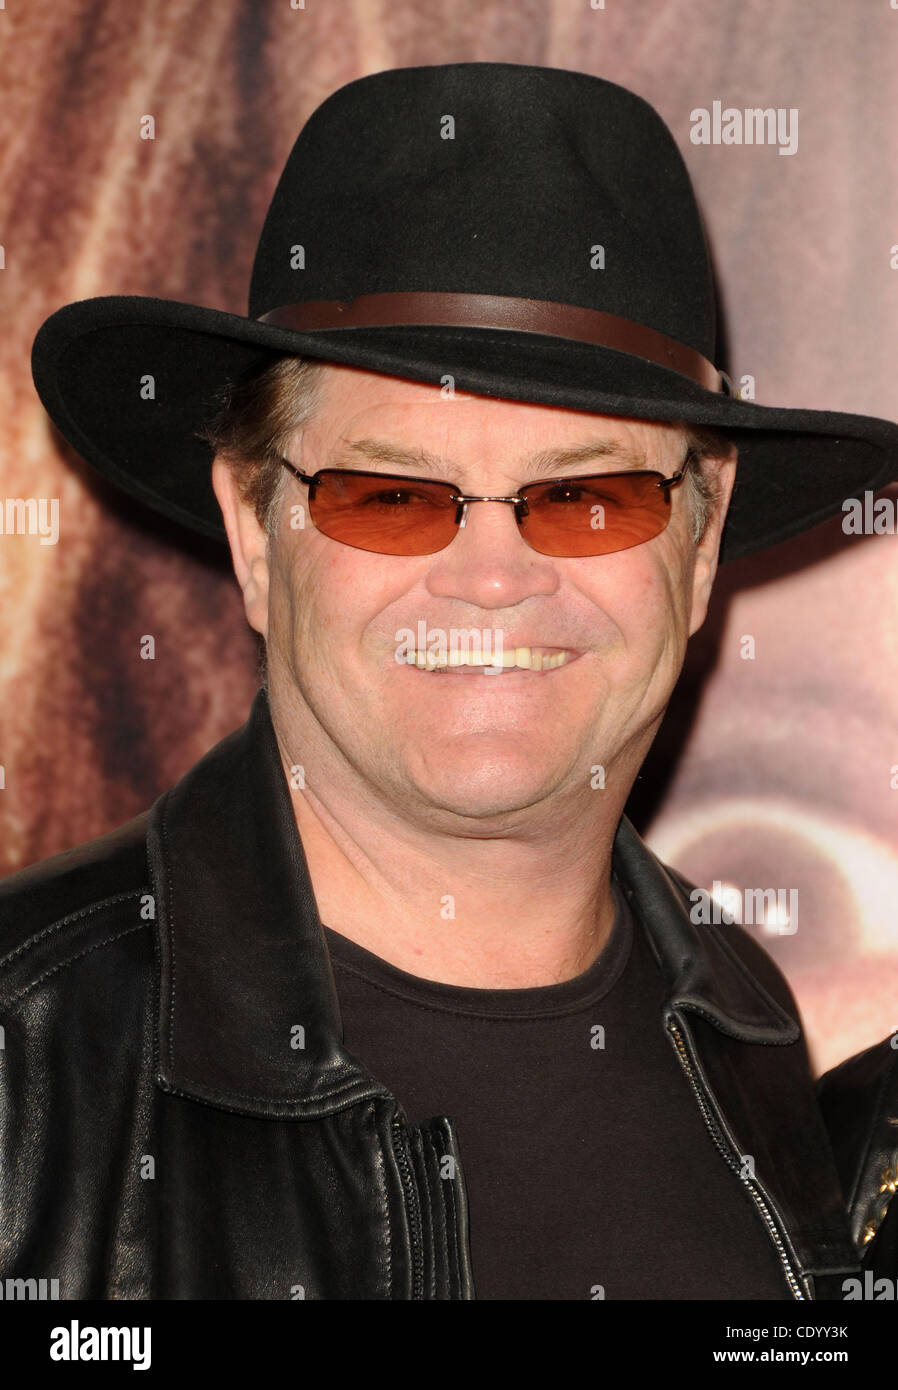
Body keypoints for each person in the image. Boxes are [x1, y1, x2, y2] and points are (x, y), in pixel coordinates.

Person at [3, 61, 897, 1301]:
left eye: (585, 496)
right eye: (391, 496)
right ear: (256, 533)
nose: (491, 578)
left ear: (698, 545)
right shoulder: (25, 1064)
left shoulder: (747, 1041)